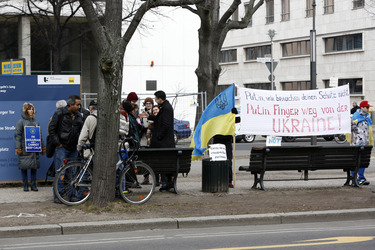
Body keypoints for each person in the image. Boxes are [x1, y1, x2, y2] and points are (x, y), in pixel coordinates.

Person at [49, 95, 83, 203]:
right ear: (71, 104)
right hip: (62, 148)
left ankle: (72, 196)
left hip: (74, 149)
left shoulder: (79, 116)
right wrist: (58, 144)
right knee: (60, 173)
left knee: (72, 173)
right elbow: (52, 129)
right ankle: (58, 197)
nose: (79, 106)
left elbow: (81, 130)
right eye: (77, 104)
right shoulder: (59, 114)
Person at [144, 90, 175, 192]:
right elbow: (159, 119)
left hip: (164, 142)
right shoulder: (165, 107)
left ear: (160, 99)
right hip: (165, 142)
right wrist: (150, 116)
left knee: (164, 163)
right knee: (166, 164)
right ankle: (168, 183)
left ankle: (168, 184)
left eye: (156, 99)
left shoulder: (166, 108)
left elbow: (165, 124)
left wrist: (159, 136)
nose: (156, 101)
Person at [14, 103, 46, 192]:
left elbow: (39, 135)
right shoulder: (20, 122)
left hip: (34, 148)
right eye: (29, 109)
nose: (31, 111)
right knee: (24, 167)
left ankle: (33, 185)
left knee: (34, 167)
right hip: (24, 148)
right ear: (25, 110)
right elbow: (17, 136)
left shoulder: (36, 122)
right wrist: (18, 148)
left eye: (32, 109)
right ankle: (25, 185)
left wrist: (43, 146)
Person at [351, 100, 372, 185]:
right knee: (355, 161)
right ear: (362, 107)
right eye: (366, 107)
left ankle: (361, 177)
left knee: (363, 160)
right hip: (357, 143)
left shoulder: (367, 117)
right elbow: (352, 128)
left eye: (368, 107)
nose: (368, 109)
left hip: (365, 142)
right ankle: (354, 177)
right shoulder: (356, 116)